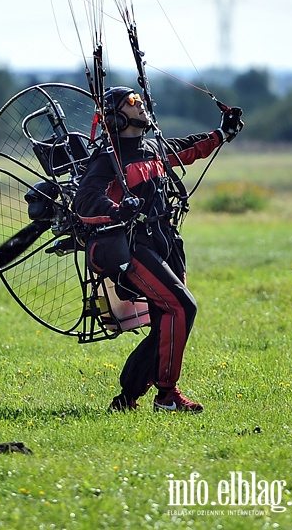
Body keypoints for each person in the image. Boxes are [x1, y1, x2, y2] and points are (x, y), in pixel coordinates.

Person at [74, 86, 242, 414]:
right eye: (133, 102)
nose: (142, 105)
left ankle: (127, 397)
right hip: (132, 248)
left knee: (166, 319)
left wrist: (223, 132)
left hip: (164, 243)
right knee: (181, 308)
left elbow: (189, 148)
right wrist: (115, 208)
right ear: (118, 116)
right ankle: (167, 395)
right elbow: (84, 199)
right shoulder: (109, 160)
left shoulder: (153, 147)